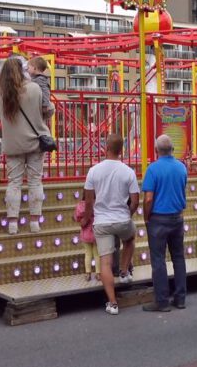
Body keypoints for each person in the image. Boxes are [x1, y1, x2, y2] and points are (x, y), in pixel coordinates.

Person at [83, 133, 140, 315]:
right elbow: (135, 200)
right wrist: (128, 214)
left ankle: (113, 303)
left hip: (102, 222)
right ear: (121, 150)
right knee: (130, 239)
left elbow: (89, 201)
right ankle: (124, 271)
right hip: (122, 219)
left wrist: (86, 218)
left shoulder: (93, 171)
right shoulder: (128, 171)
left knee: (105, 263)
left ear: (106, 148)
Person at [0, 58, 49, 235]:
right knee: (34, 181)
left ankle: (12, 224)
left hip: (12, 144)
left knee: (14, 183)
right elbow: (47, 109)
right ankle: (34, 222)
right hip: (35, 142)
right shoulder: (34, 88)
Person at [142, 134, 188, 311]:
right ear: (172, 150)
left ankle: (161, 301)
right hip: (177, 217)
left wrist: (146, 217)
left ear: (156, 150)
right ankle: (180, 298)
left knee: (158, 260)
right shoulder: (182, 168)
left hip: (158, 219)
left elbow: (148, 199)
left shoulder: (153, 169)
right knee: (178, 257)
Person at [73, 196, 99, 281]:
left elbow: (76, 218)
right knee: (97, 254)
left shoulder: (81, 205)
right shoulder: (97, 203)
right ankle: (98, 273)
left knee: (88, 254)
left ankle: (88, 274)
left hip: (85, 233)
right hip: (96, 232)